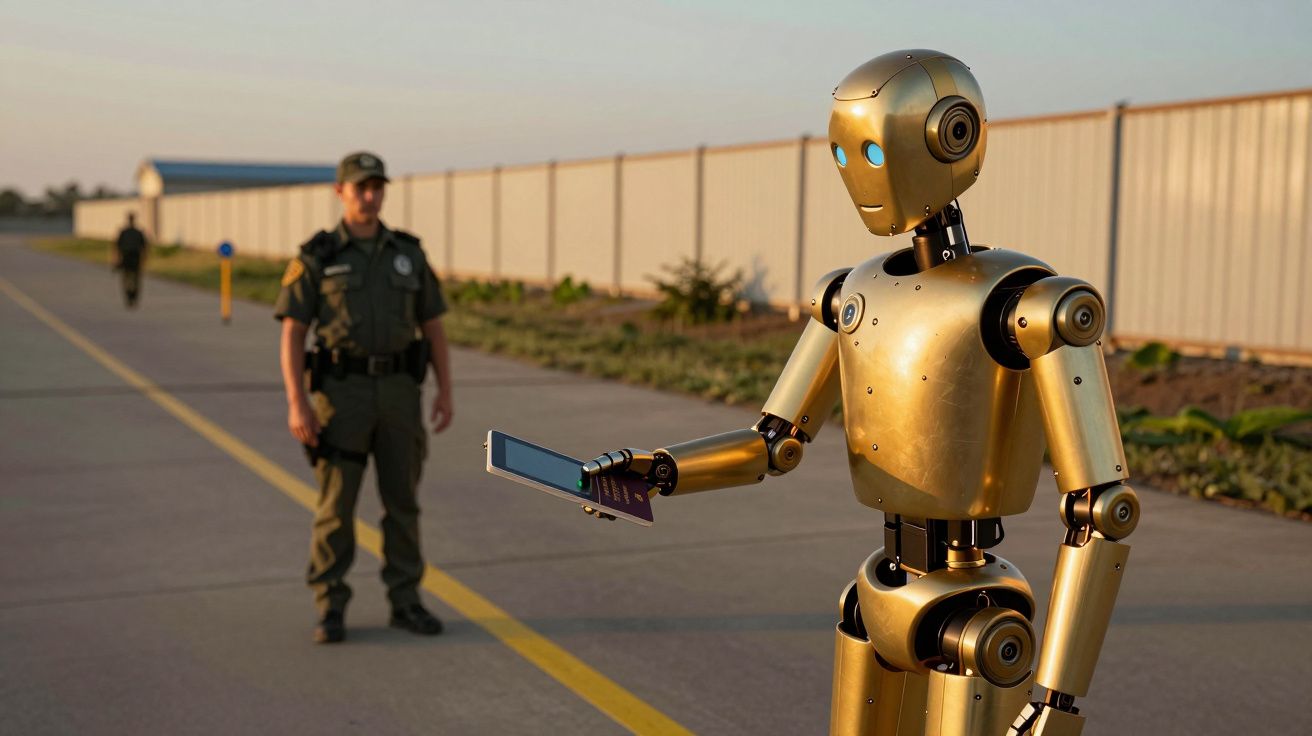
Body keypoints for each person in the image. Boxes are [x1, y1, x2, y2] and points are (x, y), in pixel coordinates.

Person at [274, 151, 454, 644]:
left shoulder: (408, 253)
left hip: (400, 394)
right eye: (360, 188)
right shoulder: (319, 255)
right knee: (336, 506)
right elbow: (293, 333)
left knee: (403, 503)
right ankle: (329, 604)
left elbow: (432, 325)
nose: (370, 196)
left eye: (377, 187)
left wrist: (445, 391)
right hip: (341, 396)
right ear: (340, 192)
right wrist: (297, 401)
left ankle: (405, 600)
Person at [113, 213, 148, 307]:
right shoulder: (138, 232)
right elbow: (144, 248)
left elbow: (117, 247)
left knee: (127, 278)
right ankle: (133, 296)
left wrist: (116, 259)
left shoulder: (123, 232)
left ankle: (129, 296)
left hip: (126, 258)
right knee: (135, 278)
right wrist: (144, 259)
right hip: (135, 258)